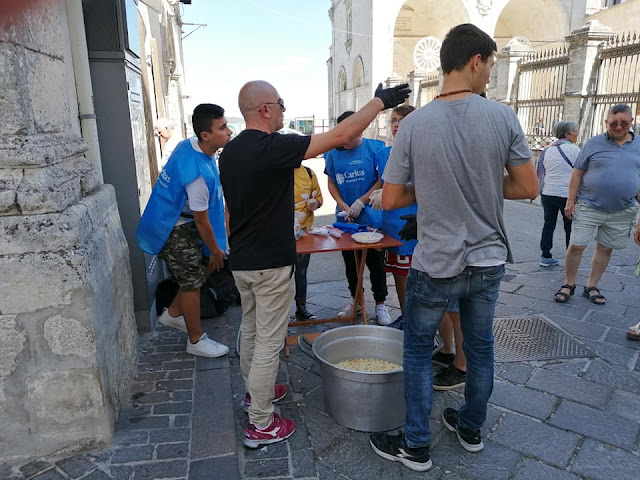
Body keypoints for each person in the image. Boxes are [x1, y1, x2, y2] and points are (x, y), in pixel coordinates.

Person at [369, 23, 538, 472]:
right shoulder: (502, 117)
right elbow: (526, 187)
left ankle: (416, 445)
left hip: (436, 261)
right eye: (490, 65)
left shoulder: (415, 123)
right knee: (480, 349)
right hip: (487, 259)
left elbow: (391, 198)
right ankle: (471, 427)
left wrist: (435, 187)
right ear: (475, 61)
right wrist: (480, 184)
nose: (490, 76)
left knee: (418, 349)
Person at [218, 80, 410, 449]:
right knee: (269, 342)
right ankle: (260, 422)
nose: (285, 112)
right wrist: (380, 102)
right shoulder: (272, 147)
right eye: (282, 104)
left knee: (253, 331)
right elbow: (343, 133)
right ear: (265, 109)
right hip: (270, 263)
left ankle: (254, 396)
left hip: (243, 261)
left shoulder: (231, 151)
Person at [137, 104, 232, 358]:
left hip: (180, 220)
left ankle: (173, 315)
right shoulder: (197, 175)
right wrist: (215, 251)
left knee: (199, 273)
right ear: (206, 136)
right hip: (174, 227)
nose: (229, 131)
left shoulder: (189, 145)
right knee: (193, 282)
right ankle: (196, 340)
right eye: (222, 128)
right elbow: (203, 222)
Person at [554, 104, 640, 305]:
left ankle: (591, 286)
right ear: (606, 123)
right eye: (613, 123)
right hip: (588, 205)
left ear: (631, 122)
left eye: (624, 123)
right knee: (576, 246)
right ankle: (569, 283)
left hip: (622, 209)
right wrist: (570, 200)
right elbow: (577, 173)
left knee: (605, 248)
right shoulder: (593, 143)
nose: (618, 127)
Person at [325, 111, 391, 325]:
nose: (344, 139)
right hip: (346, 220)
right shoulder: (333, 154)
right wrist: (342, 203)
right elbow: (332, 181)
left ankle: (381, 304)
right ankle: (357, 302)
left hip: (372, 217)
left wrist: (362, 201)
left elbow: (382, 180)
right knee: (351, 264)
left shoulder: (375, 148)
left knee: (375, 263)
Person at [536, 121, 580, 267]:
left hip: (548, 193)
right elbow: (581, 172)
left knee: (548, 224)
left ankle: (545, 256)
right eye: (575, 131)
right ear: (567, 134)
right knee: (569, 227)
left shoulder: (547, 151)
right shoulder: (575, 150)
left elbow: (540, 172)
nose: (577, 133)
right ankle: (570, 257)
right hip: (567, 195)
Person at [293, 164, 324, 320]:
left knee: (301, 271)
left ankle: (301, 307)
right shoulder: (275, 169)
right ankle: (279, 311)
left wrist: (315, 204)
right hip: (280, 234)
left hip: (303, 233)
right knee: (281, 275)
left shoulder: (308, 173)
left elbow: (319, 199)